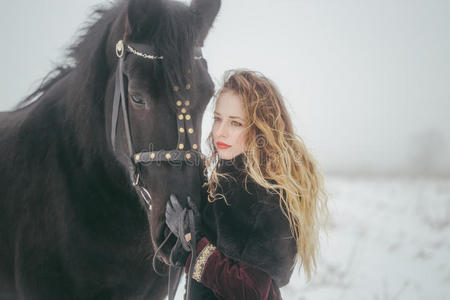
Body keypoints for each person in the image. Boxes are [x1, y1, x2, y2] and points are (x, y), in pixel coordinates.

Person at [166, 69, 329, 299]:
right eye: (217, 119)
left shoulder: (269, 197)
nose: (220, 132)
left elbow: (251, 291)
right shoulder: (223, 182)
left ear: (260, 129)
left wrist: (193, 243)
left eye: (235, 123)